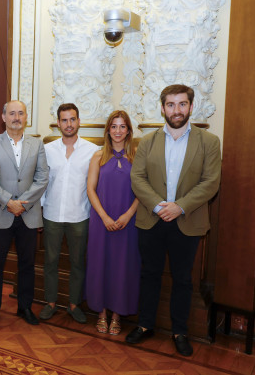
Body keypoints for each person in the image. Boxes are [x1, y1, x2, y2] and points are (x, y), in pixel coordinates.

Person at [126, 84, 221, 356]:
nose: (176, 110)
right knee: (149, 274)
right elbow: (137, 178)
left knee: (182, 280)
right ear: (162, 107)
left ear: (191, 107)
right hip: (151, 220)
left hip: (187, 221)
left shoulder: (209, 142)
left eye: (181, 104)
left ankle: (180, 332)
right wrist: (158, 206)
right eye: (170, 104)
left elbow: (210, 183)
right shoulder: (147, 142)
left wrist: (179, 207)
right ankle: (145, 325)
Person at [0, 100, 49, 326]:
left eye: (20, 113)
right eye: (12, 113)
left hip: (28, 215)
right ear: (4, 117)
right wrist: (10, 202)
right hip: (1, 212)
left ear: (26, 117)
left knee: (27, 264)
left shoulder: (37, 144)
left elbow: (42, 178)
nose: (16, 117)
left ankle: (25, 307)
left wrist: (24, 203)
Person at [39, 103, 99, 324]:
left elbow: (94, 186)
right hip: (52, 214)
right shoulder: (47, 150)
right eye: (64, 120)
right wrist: (40, 211)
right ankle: (50, 303)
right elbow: (42, 183)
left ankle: (74, 304)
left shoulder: (93, 151)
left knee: (78, 263)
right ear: (58, 123)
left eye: (72, 119)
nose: (69, 124)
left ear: (79, 121)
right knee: (50, 261)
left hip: (80, 215)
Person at [84, 110, 140, 335]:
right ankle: (102, 313)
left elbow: (143, 191)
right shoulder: (98, 156)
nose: (118, 131)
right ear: (108, 130)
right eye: (114, 126)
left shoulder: (136, 155)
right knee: (101, 264)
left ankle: (117, 315)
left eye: (122, 126)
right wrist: (104, 217)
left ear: (128, 131)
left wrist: (127, 215)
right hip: (101, 220)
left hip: (128, 221)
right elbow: (90, 189)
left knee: (123, 267)